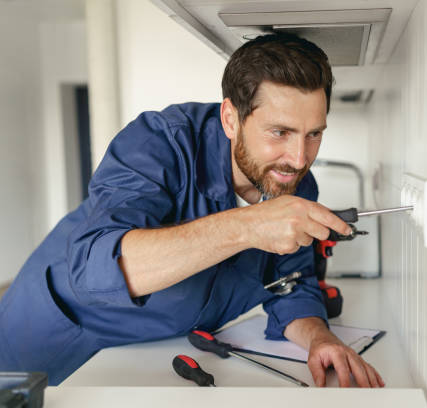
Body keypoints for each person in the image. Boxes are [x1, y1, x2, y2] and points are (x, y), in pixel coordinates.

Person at [0, 34, 384, 388]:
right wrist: (248, 226)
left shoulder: (293, 182)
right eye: (279, 132)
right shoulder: (160, 143)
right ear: (231, 118)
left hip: (150, 358)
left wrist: (320, 339)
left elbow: (291, 285)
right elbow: (94, 267)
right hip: (52, 343)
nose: (300, 159)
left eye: (314, 133)